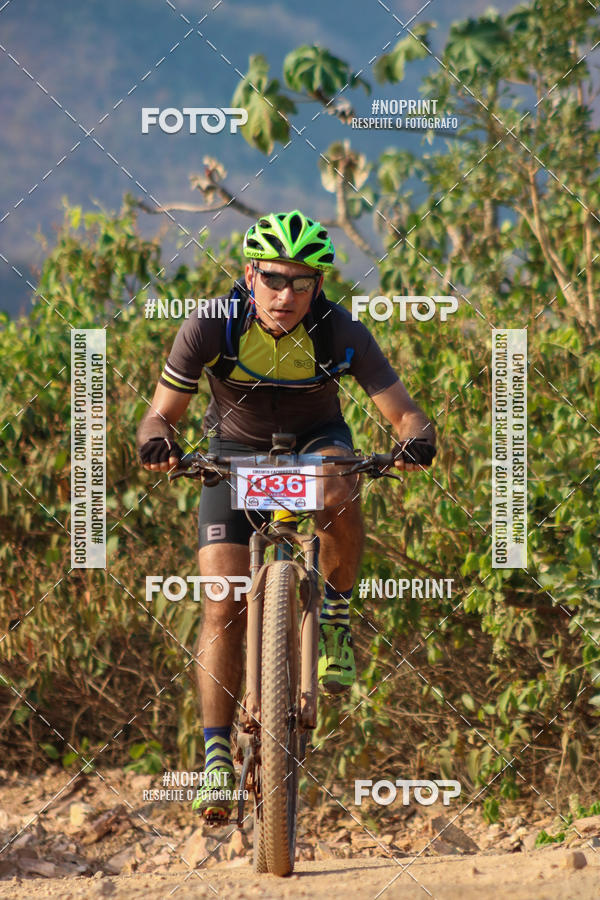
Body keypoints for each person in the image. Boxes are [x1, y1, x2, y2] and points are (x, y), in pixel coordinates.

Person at [137, 210, 436, 822]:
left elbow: (406, 413)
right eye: (274, 279)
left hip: (315, 444)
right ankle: (217, 760)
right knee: (221, 602)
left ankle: (333, 612)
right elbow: (159, 413)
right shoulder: (209, 328)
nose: (286, 295)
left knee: (337, 482)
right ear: (250, 275)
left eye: (302, 283)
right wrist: (156, 441)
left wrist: (415, 440)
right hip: (232, 457)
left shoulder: (339, 331)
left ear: (318, 287)